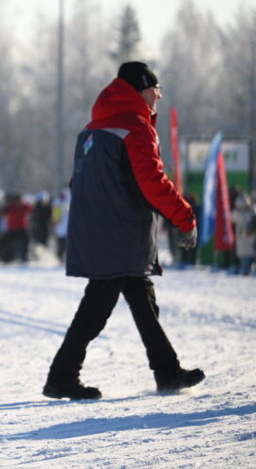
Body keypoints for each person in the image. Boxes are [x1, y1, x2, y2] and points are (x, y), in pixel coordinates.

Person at [44, 62, 203, 400]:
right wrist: (185, 217)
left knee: (140, 300)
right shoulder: (135, 128)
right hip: (121, 234)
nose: (158, 96)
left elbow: (78, 183)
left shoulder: (91, 130)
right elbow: (152, 183)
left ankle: (166, 370)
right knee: (98, 307)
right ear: (141, 89)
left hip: (101, 231)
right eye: (155, 89)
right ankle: (62, 377)